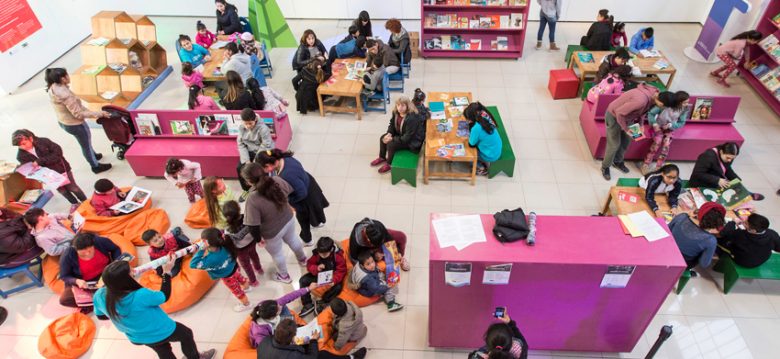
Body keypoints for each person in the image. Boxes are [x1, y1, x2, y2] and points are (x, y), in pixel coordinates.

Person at [94, 259, 217, 359]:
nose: (134, 271)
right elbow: (164, 296)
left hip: (137, 336)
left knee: (162, 350)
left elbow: (101, 316)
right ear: (125, 279)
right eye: (130, 271)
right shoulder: (140, 295)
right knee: (186, 334)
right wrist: (166, 273)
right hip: (162, 330)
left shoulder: (99, 295)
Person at [241, 163, 308, 284]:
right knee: (293, 239)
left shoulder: (252, 199)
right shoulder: (276, 180)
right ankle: (303, 260)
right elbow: (290, 191)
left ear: (249, 181)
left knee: (277, 254)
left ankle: (284, 276)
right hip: (288, 219)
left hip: (271, 232)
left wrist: (258, 239)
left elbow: (253, 225)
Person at [45, 68, 112, 174]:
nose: (69, 76)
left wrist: (91, 112)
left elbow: (78, 107)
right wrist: (99, 113)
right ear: (63, 78)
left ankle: (93, 155)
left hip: (64, 121)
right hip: (74, 124)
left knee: (86, 143)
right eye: (67, 75)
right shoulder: (65, 94)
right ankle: (95, 166)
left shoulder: (53, 87)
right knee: (86, 145)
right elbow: (78, 113)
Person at [255, 149, 329, 244]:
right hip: (310, 184)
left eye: (263, 169)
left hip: (305, 198)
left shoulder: (287, 175)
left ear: (268, 165)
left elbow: (302, 193)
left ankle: (307, 240)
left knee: (303, 220)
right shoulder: (286, 158)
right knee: (316, 210)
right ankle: (318, 223)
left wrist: (291, 202)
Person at [600, 83, 660, 180]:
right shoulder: (641, 100)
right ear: (660, 101)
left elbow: (642, 112)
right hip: (614, 115)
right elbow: (619, 113)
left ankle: (618, 161)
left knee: (627, 141)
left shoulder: (653, 97)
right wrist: (626, 129)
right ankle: (605, 166)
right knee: (614, 144)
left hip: (629, 117)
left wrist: (640, 125)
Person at [13, 129, 87, 208]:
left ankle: (85, 202)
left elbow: (58, 153)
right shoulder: (21, 156)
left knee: (73, 188)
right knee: (62, 191)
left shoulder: (44, 142)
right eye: (19, 145)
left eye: (24, 143)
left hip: (61, 169)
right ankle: (74, 203)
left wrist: (40, 161)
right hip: (48, 176)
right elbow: (29, 169)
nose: (22, 147)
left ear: (31, 138)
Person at [190, 227, 251, 312]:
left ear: (206, 243)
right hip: (234, 268)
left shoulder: (211, 259)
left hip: (228, 277)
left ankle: (246, 304)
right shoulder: (226, 244)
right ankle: (247, 287)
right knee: (241, 278)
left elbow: (193, 264)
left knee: (237, 291)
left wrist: (201, 250)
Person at [59, 233, 122, 311]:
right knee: (64, 299)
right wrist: (77, 281)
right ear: (76, 250)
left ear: (93, 245)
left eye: (90, 250)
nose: (88, 254)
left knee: (123, 282)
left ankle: (98, 302)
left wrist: (116, 262)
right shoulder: (68, 254)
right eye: (83, 253)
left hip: (104, 275)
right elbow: (64, 276)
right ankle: (97, 303)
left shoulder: (100, 241)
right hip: (83, 282)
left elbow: (115, 249)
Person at [256, 318, 367, 359]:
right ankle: (351, 358)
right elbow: (312, 357)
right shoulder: (293, 356)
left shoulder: (264, 341)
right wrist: (313, 340)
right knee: (322, 354)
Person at [689, 142, 765, 200]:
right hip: (701, 182)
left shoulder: (728, 156)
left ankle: (747, 193)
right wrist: (717, 180)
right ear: (721, 152)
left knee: (735, 184)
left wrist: (735, 179)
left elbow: (727, 168)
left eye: (732, 158)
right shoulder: (707, 156)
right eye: (728, 158)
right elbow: (698, 173)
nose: (729, 160)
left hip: (716, 178)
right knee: (724, 194)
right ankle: (746, 194)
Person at [370, 96, 425, 174]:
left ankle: (389, 164)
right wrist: (389, 134)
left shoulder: (412, 118)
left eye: (402, 105)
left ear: (407, 106)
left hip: (412, 141)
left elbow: (407, 137)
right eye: (398, 105)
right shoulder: (395, 112)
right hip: (400, 134)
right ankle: (382, 157)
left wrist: (392, 139)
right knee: (383, 138)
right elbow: (392, 124)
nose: (400, 108)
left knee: (391, 145)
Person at [248, 285, 316, 347]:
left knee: (283, 305)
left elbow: (289, 297)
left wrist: (308, 288)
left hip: (274, 326)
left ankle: (293, 328)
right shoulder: (259, 332)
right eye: (278, 309)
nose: (280, 306)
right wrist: (296, 341)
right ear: (272, 317)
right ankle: (293, 331)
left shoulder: (266, 306)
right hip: (271, 338)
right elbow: (270, 346)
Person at [669, 202, 725, 275]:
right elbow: (704, 263)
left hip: (667, 251)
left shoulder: (682, 217)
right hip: (683, 263)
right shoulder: (710, 240)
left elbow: (668, 228)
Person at [640, 91, 690, 173]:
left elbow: (681, 122)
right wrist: (654, 124)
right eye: (685, 102)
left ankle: (659, 166)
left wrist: (671, 125)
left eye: (687, 102)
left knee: (666, 145)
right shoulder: (664, 105)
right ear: (678, 101)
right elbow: (651, 114)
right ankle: (646, 164)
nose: (687, 104)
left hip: (670, 129)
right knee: (657, 142)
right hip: (658, 128)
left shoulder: (684, 110)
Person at [298, 237, 347, 316]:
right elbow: (309, 264)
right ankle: (307, 304)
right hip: (319, 275)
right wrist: (316, 268)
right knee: (303, 280)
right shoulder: (317, 254)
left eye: (325, 254)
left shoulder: (337, 257)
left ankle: (323, 302)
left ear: (331, 250)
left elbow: (341, 271)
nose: (322, 256)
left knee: (338, 287)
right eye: (320, 253)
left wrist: (334, 280)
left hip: (332, 277)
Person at [222, 200, 263, 286]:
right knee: (254, 255)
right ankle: (259, 269)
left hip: (240, 250)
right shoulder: (247, 217)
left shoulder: (228, 230)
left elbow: (229, 243)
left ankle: (253, 281)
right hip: (252, 242)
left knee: (246, 265)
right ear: (239, 209)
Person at [236, 108, 275, 196]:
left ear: (255, 120)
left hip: (262, 151)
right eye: (245, 123)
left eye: (250, 123)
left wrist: (254, 162)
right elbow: (241, 144)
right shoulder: (241, 127)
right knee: (240, 168)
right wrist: (247, 161)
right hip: (250, 151)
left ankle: (263, 188)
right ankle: (246, 189)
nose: (248, 126)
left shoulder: (263, 129)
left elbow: (265, 145)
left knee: (259, 169)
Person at [464, 102, 503, 176]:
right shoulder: (485, 115)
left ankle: (481, 169)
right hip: (496, 149)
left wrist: (470, 132)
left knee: (467, 152)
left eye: (468, 119)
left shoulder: (476, 128)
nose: (467, 120)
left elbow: (471, 144)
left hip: (490, 155)